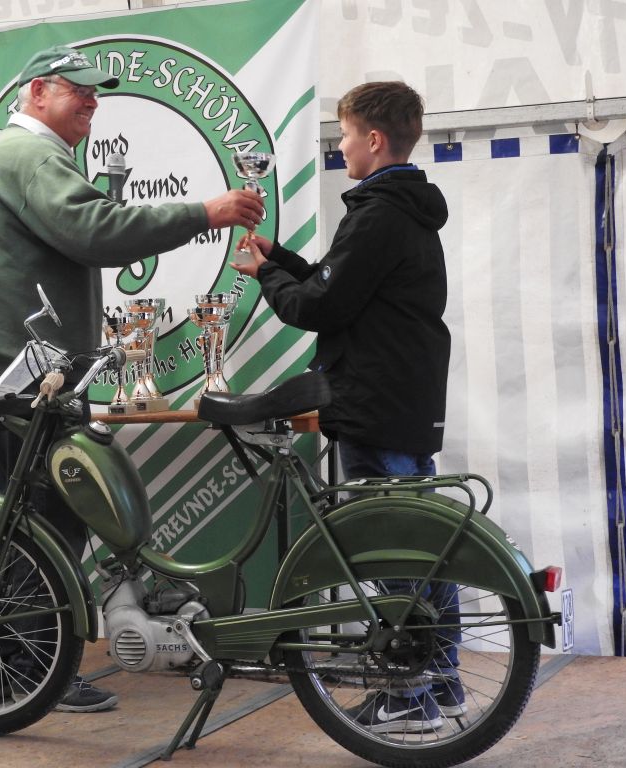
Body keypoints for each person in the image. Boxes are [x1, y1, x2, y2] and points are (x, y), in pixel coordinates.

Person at [0, 45, 264, 713]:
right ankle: (31, 672)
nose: (93, 101)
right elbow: (95, 230)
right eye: (80, 90)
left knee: (28, 516)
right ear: (38, 92)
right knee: (45, 518)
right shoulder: (31, 156)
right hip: (26, 369)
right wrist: (204, 213)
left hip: (24, 365)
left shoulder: (23, 155)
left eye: (97, 93)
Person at [230, 81, 458, 733]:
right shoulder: (406, 210)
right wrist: (281, 258)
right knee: (425, 546)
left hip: (374, 404)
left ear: (375, 140)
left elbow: (320, 307)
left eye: (348, 136)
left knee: (391, 551)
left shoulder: (378, 213)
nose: (343, 148)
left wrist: (265, 275)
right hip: (406, 402)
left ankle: (409, 696)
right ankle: (443, 682)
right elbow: (340, 284)